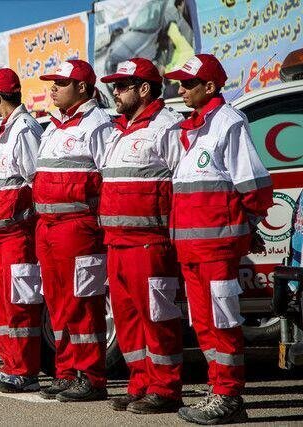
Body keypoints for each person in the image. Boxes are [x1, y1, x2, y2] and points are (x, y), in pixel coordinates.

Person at [165, 54, 273, 424]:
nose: (180, 90)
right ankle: (218, 388)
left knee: (223, 321)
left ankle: (229, 397)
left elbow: (253, 185)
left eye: (187, 83)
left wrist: (252, 223)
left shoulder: (228, 123)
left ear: (209, 87)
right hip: (192, 250)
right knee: (205, 323)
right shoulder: (192, 128)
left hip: (217, 248)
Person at [98, 58, 184, 413]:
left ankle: (165, 388)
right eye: (114, 86)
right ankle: (140, 383)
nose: (115, 92)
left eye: (121, 86)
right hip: (117, 242)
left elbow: (183, 179)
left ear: (144, 89)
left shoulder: (168, 126)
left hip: (150, 242)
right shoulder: (120, 129)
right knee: (129, 319)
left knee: (158, 317)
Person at [33, 60, 113, 402]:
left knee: (82, 303)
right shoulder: (52, 127)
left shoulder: (98, 124)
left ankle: (91, 376)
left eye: (60, 83)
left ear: (82, 87)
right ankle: (66, 372)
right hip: (47, 228)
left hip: (79, 227)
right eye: (51, 82)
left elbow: (110, 179)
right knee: (57, 304)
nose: (52, 88)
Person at [0, 68, 44, 393]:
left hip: (18, 236)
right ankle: (9, 366)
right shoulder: (5, 131)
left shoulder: (25, 129)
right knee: (2, 306)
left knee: (20, 304)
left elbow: (35, 182)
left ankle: (25, 370)